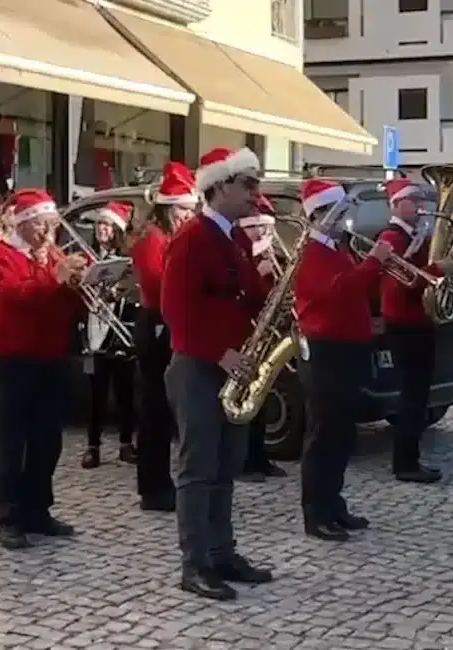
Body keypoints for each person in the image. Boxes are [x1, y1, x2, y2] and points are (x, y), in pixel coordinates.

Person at [161, 146, 274, 600]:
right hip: (199, 366)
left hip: (232, 366)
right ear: (219, 186)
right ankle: (195, 564)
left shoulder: (234, 238)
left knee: (226, 466)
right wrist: (219, 352)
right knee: (198, 469)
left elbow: (240, 298)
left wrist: (267, 285)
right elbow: (175, 310)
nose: (255, 194)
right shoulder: (192, 238)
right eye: (247, 184)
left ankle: (223, 552)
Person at [0, 188, 86, 550]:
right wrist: (53, 278)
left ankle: (38, 509)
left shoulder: (51, 255)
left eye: (51, 223)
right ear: (24, 224)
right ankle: (9, 515)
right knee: (8, 442)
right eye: (42, 223)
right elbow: (12, 297)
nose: (49, 230)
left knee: (47, 439)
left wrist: (83, 286)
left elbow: (62, 304)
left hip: (51, 357)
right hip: (12, 359)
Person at [292, 178, 390, 541]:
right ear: (320, 214)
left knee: (341, 433)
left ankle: (333, 502)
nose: (344, 218)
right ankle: (315, 511)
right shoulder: (312, 252)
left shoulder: (334, 247)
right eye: (338, 212)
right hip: (326, 351)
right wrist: (373, 265)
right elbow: (338, 289)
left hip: (346, 349)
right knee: (323, 434)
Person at [130, 161, 199, 512]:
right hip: (155, 321)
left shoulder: (172, 236)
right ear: (170, 209)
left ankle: (161, 481)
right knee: (154, 409)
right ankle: (153, 486)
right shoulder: (152, 240)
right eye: (186, 209)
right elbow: (159, 284)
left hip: (168, 320)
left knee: (164, 410)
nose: (190, 215)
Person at [377, 177, 443, 484]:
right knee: (412, 398)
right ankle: (405, 463)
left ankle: (410, 458)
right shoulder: (391, 238)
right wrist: (437, 270)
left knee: (418, 397)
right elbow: (400, 285)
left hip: (419, 323)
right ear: (396, 204)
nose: (419, 206)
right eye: (412, 201)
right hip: (405, 324)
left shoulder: (414, 236)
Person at [80, 201, 137, 469]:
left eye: (107, 225)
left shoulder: (127, 258)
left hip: (119, 327)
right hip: (94, 328)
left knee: (126, 392)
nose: (102, 229)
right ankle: (93, 446)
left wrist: (117, 291)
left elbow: (134, 287)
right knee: (96, 395)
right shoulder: (86, 256)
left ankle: (126, 444)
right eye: (99, 224)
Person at [237, 192, 288, 481]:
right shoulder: (240, 252)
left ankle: (260, 456)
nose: (265, 233)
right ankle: (244, 460)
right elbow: (242, 295)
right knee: (245, 397)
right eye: (260, 227)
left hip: (264, 334)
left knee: (262, 395)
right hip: (244, 333)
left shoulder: (267, 252)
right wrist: (259, 274)